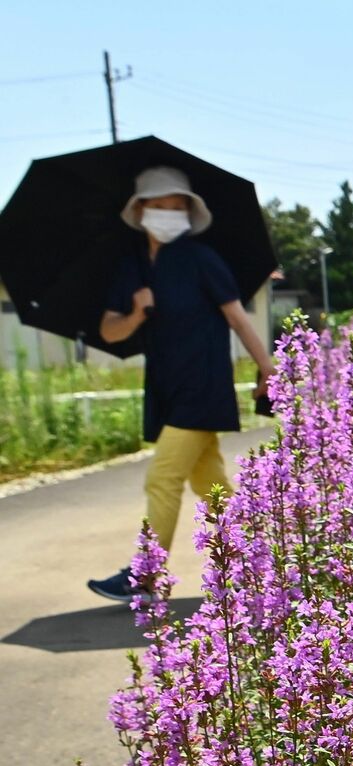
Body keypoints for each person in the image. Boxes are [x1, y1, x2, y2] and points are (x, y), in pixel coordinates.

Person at [87, 166, 273, 603]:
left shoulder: (201, 258)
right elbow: (109, 329)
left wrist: (267, 368)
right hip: (165, 388)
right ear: (140, 210)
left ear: (190, 213)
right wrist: (135, 314)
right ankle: (259, 561)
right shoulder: (133, 265)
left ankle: (146, 576)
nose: (170, 215)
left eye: (178, 208)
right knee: (210, 483)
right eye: (161, 207)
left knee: (163, 477)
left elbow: (237, 316)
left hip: (203, 384)